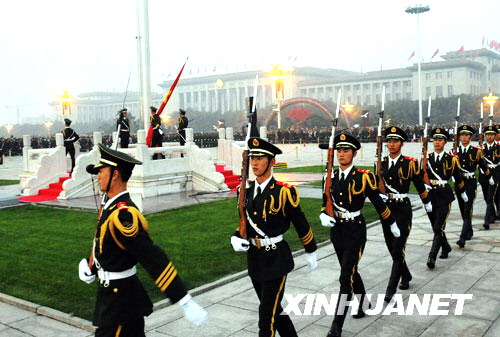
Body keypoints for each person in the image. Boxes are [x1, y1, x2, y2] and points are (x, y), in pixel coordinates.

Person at [79, 144, 207, 336]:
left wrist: (183, 299)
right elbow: (107, 247)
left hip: (119, 303)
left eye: (101, 171)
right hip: (116, 299)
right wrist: (93, 269)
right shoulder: (110, 207)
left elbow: (152, 257)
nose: (98, 176)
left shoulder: (124, 216)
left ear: (115, 175)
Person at [230, 137, 318, 337]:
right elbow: (245, 222)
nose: (254, 163)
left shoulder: (284, 192)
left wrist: (311, 250)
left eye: (260, 158)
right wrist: (236, 237)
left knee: (266, 319)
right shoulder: (245, 191)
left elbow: (300, 222)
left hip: (276, 259)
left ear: (272, 162)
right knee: (274, 310)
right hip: (255, 259)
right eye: (252, 158)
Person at [320, 133, 400, 337]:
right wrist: (324, 214)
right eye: (339, 150)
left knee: (345, 277)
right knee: (350, 271)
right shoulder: (329, 177)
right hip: (337, 231)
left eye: (346, 150)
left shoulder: (363, 177)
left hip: (356, 231)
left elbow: (378, 202)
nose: (341, 154)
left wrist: (391, 222)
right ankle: (363, 303)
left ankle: (337, 324)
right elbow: (325, 202)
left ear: (354, 153)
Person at [379, 126, 431, 302]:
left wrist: (427, 202)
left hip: (402, 209)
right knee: (390, 247)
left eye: (395, 141)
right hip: (386, 210)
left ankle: (390, 289)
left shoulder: (410, 163)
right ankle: (406, 275)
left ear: (402, 143)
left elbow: (419, 184)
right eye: (389, 141)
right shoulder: (381, 163)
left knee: (398, 247)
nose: (391, 144)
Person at [425, 128, 466, 269]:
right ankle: (446, 246)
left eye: (440, 140)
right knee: (436, 227)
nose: (437, 142)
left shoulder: (452, 159)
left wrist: (462, 192)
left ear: (445, 142)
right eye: (435, 139)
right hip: (430, 196)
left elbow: (458, 177)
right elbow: (420, 178)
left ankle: (432, 256)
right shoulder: (426, 158)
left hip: (444, 196)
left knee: (438, 227)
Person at [454, 125, 492, 248]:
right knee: (462, 209)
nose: (464, 137)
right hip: (459, 184)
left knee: (467, 209)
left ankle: (462, 237)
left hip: (470, 183)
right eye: (462, 135)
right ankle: (469, 231)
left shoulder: (476, 151)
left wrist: (489, 177)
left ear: (470, 137)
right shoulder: (454, 151)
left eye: (466, 135)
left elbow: (483, 165)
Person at [479, 125, 499, 229]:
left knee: (490, 196)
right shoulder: (481, 148)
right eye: (487, 135)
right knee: (486, 197)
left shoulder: (498, 147)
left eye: (491, 135)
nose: (489, 137)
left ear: (495, 135)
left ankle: (487, 220)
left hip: (495, 173)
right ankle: (493, 214)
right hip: (483, 175)